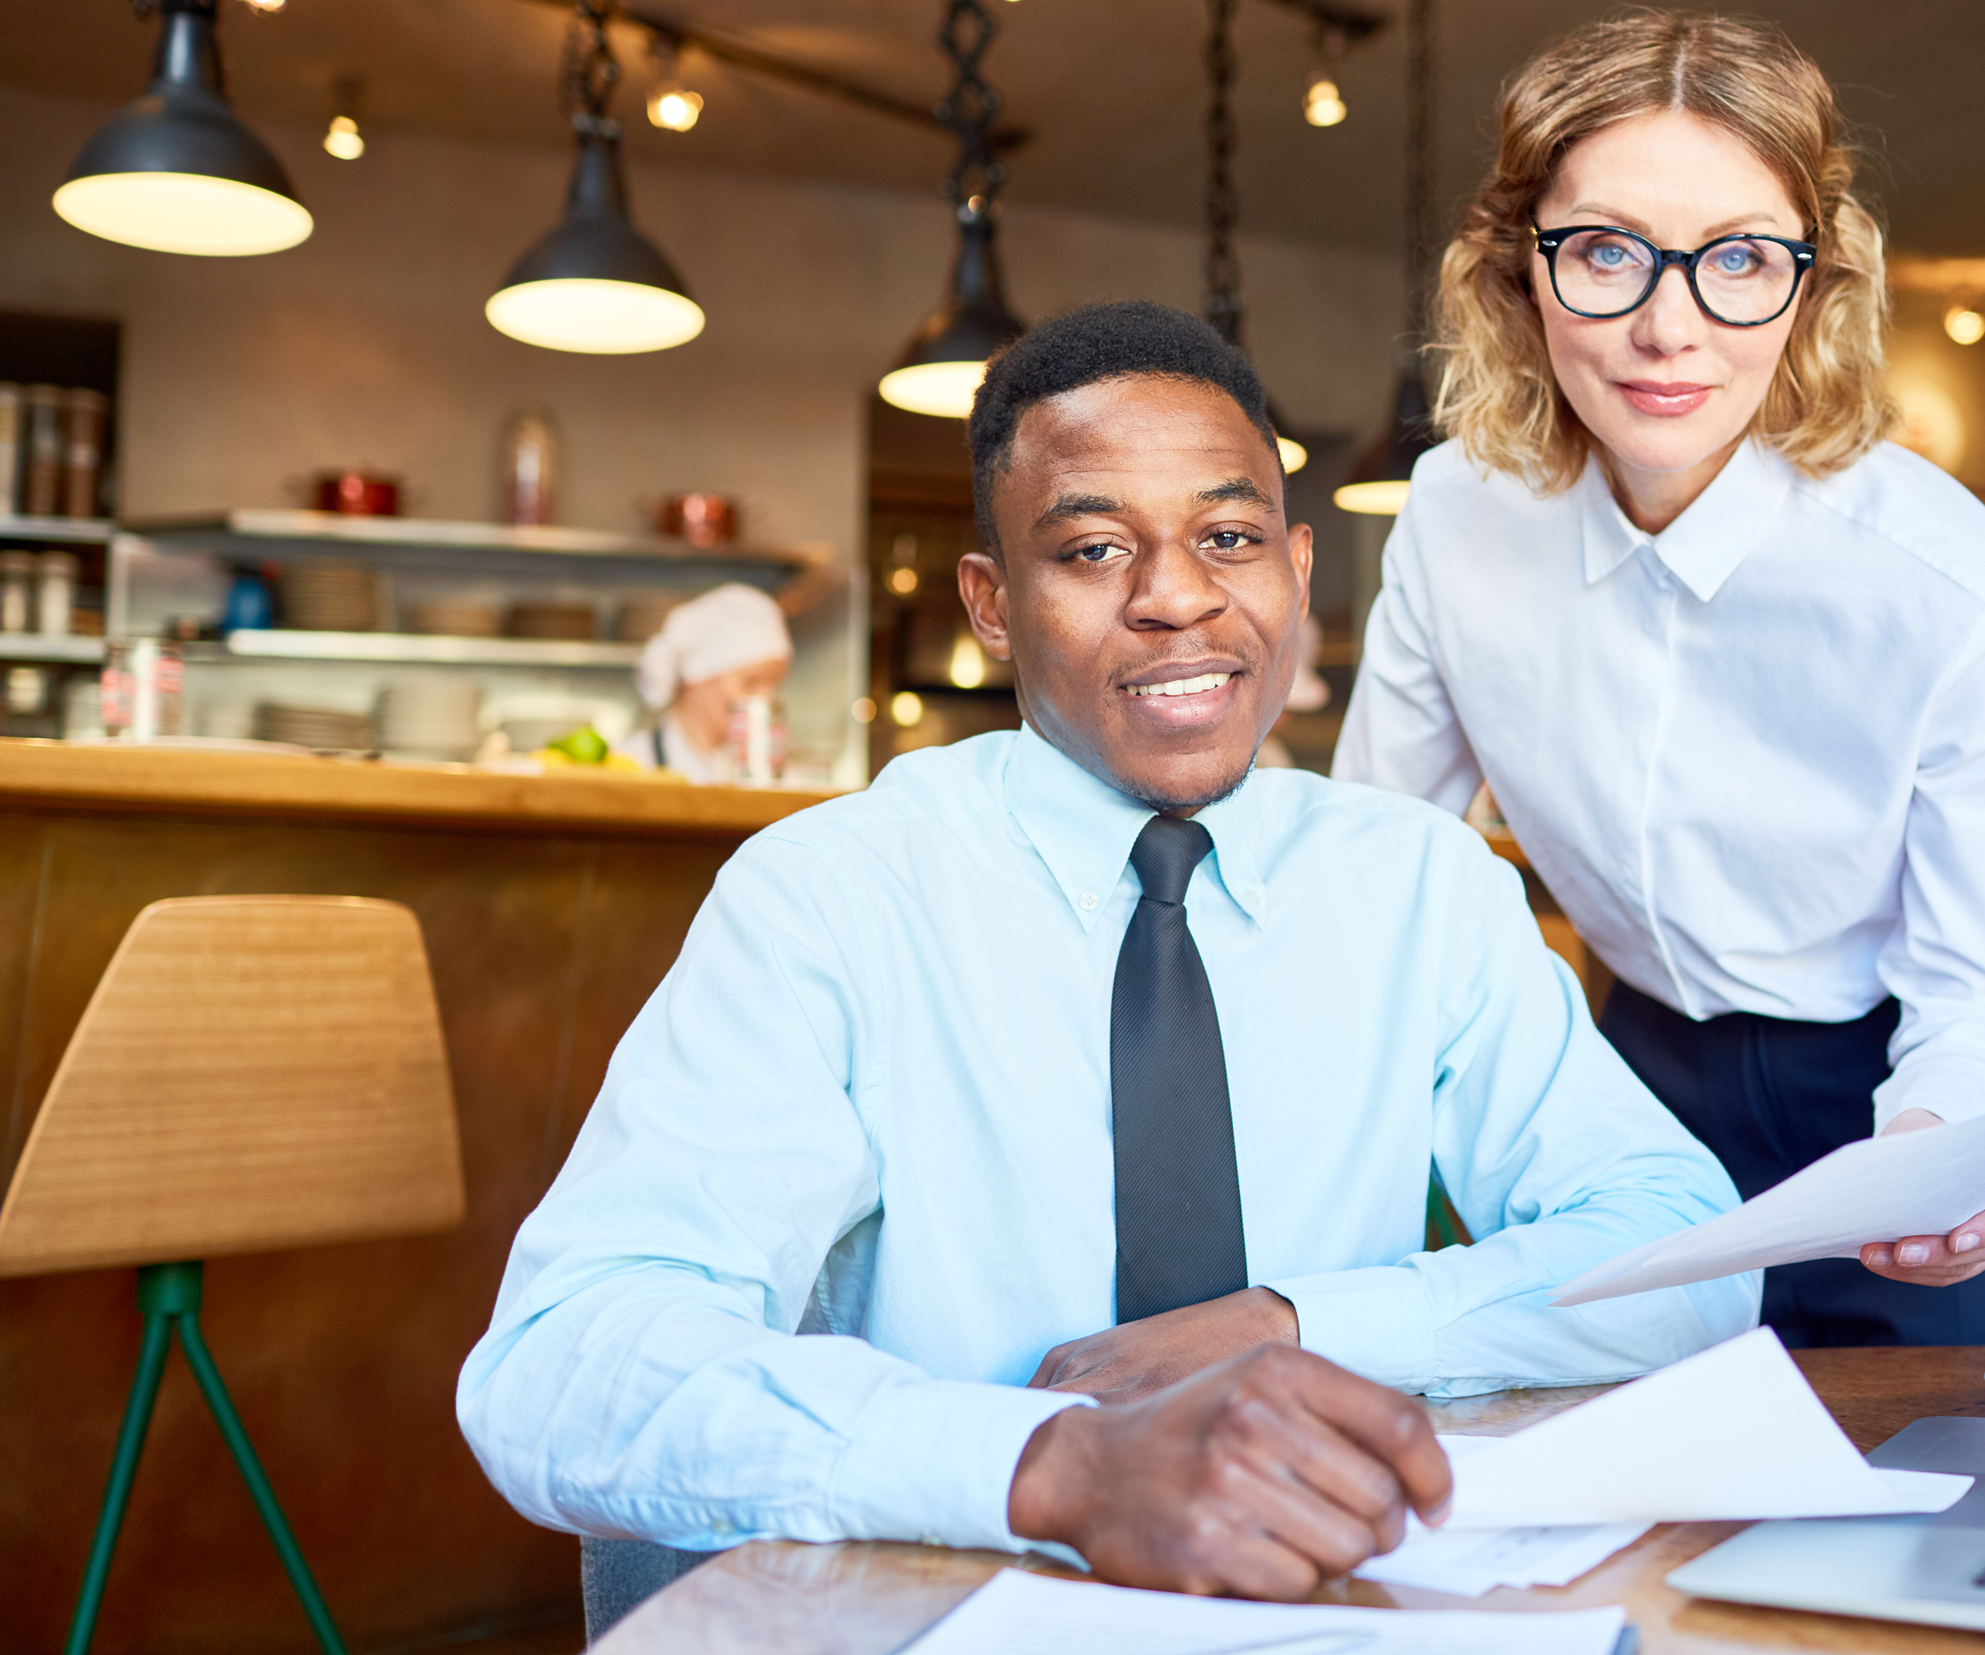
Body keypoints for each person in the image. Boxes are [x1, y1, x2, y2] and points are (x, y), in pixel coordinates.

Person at [458, 301, 1757, 1633]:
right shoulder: (832, 897)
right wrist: (1053, 1465)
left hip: (1320, 1592)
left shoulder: (1420, 884)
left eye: (1231, 537)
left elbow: (1687, 1253)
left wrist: (1292, 1323)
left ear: (1298, 573)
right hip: (959, 1596)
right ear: (993, 606)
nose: (1179, 594)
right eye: (1091, 547)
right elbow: (568, 1361)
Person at [1333, 11, 1985, 1350]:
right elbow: (1374, 867)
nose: (1665, 327)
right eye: (1604, 252)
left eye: (1740, 260)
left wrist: (1938, 1152)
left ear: (1816, 282)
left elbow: (1977, 988)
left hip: (1926, 1068)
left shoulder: (1954, 584)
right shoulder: (1455, 517)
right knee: (1651, 1515)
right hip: (1645, 1077)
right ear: (1520, 269)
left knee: (1966, 1500)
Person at [616, 582, 793, 781]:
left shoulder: (773, 776)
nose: (765, 699)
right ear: (696, 678)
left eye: (775, 685)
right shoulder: (629, 767)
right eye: (751, 682)